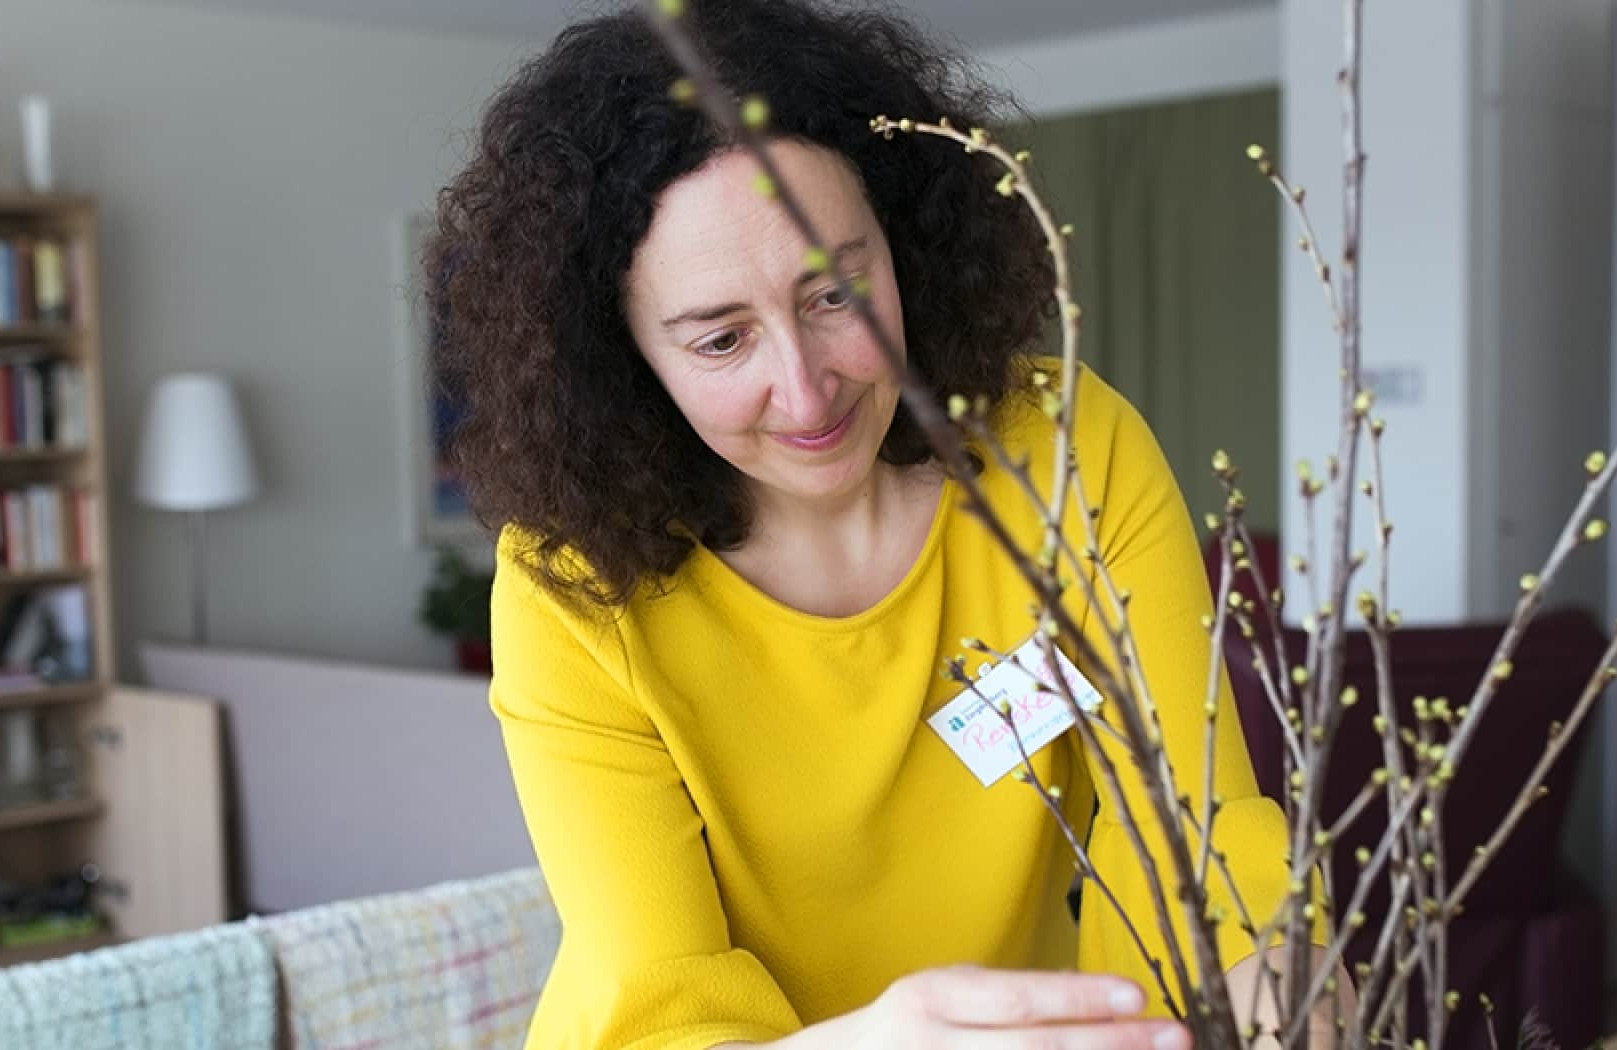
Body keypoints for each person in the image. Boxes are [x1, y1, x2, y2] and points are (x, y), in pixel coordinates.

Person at [427, 1, 1317, 1046]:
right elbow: (661, 997)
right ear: (620, 359)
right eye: (719, 342)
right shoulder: (570, 584)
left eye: (836, 293)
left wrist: (1268, 1002)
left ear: (904, 242)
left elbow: (1190, 854)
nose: (806, 394)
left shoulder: (1065, 456)